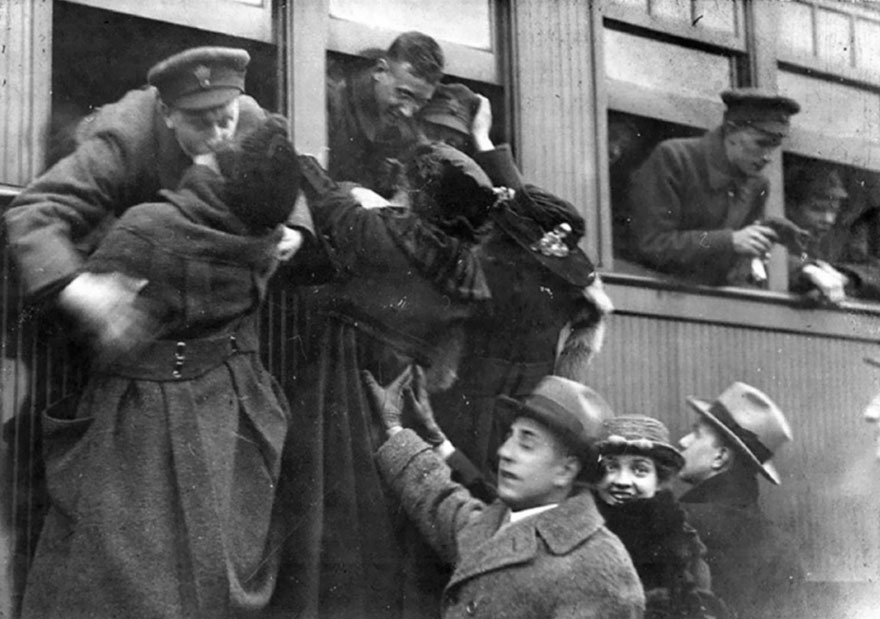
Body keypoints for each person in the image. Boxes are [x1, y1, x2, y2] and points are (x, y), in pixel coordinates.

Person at [20, 115, 299, 619]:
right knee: (198, 565)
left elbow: (79, 319)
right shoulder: (267, 235)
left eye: (221, 147)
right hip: (221, 406)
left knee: (118, 573)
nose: (213, 141)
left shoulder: (147, 229)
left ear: (222, 174)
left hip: (140, 419)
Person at [272, 142, 497, 619]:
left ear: (417, 197)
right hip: (400, 393)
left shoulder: (382, 236)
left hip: (342, 384)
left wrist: (357, 198)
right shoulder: (461, 266)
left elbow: (318, 187)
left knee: (328, 512)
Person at [4, 47, 310, 338]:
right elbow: (33, 209)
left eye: (225, 120)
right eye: (201, 124)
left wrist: (294, 223)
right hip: (112, 261)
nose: (219, 136)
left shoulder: (248, 115)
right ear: (167, 113)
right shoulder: (123, 137)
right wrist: (74, 285)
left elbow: (281, 162)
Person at [418, 82, 613, 487]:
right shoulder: (565, 280)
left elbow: (522, 215)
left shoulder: (488, 266)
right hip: (531, 407)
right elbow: (530, 214)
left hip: (467, 400)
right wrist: (484, 143)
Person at [364, 368, 646, 618]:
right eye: (510, 436)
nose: (505, 452)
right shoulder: (499, 524)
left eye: (527, 442)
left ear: (566, 470)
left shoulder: (599, 570)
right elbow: (440, 499)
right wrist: (393, 428)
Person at [627, 89, 800, 286]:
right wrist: (728, 241)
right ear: (730, 130)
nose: (768, 156)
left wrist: (804, 268)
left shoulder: (757, 184)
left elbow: (748, 251)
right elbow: (654, 244)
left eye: (774, 147)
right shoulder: (674, 158)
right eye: (761, 144)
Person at [677, 382, 806, 619]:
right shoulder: (782, 545)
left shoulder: (680, 522)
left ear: (720, 457)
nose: (683, 441)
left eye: (695, 434)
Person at [595, 415, 727, 619]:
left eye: (639, 470)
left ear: (659, 480)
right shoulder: (580, 531)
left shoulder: (682, 539)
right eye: (611, 467)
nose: (622, 481)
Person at [326, 31, 444, 193]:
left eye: (420, 102)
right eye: (403, 94)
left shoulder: (408, 130)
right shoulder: (332, 101)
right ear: (380, 71)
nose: (408, 112)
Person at [784, 162, 880, 303]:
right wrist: (807, 270)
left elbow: (874, 270)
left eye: (834, 210)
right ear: (791, 207)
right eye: (817, 209)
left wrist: (846, 277)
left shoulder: (836, 243)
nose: (829, 219)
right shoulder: (776, 234)